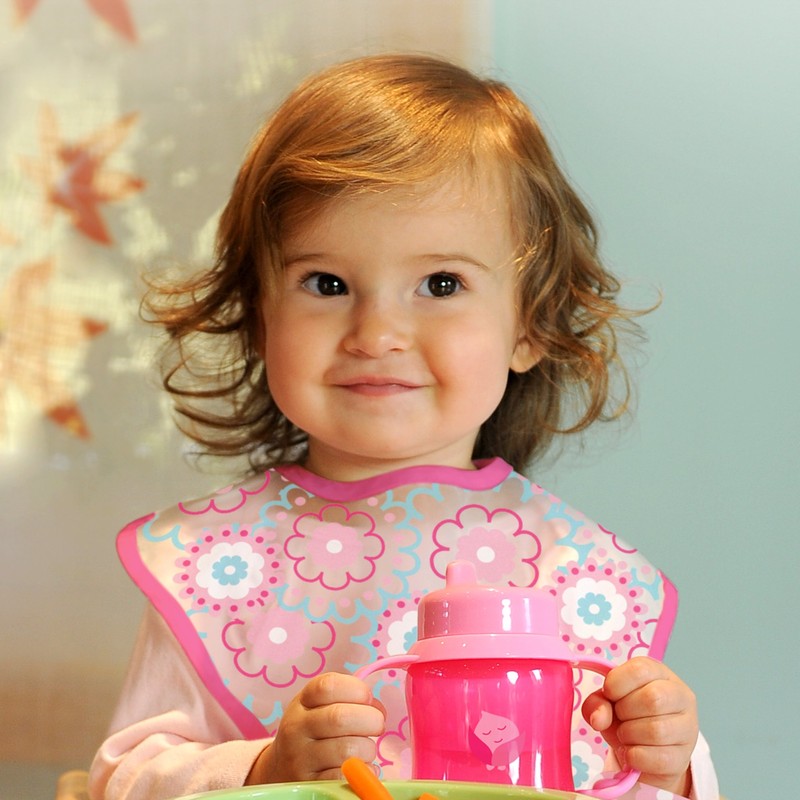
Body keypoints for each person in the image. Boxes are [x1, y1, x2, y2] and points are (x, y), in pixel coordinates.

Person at [89, 54, 718, 800]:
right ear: (259, 318)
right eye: (327, 283)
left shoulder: (580, 573)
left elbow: (629, 782)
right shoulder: (212, 563)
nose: (377, 332)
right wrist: (263, 769)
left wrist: (668, 767)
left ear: (530, 324)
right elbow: (120, 782)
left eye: (441, 284)